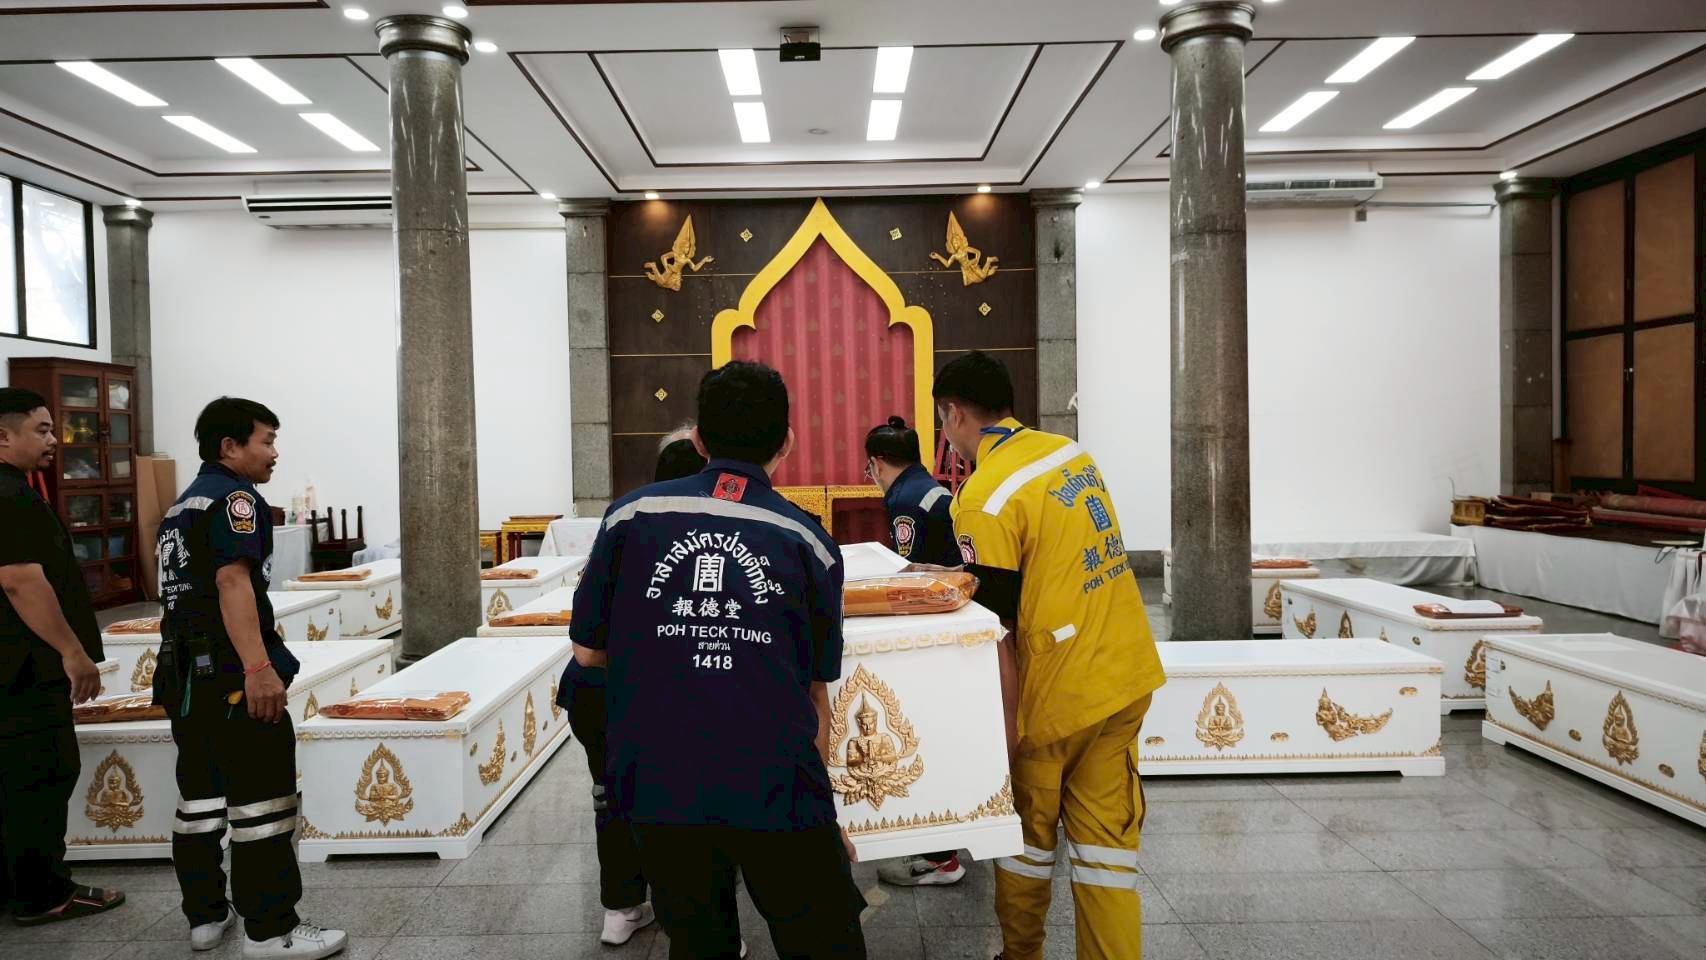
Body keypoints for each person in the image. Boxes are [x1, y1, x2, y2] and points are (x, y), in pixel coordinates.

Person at [571, 361, 866, 960]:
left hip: (660, 784)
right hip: (776, 784)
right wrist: (824, 812)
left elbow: (588, 652)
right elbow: (816, 692)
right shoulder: (809, 541)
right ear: (787, 442)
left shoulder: (629, 518)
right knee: (822, 940)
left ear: (699, 440)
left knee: (698, 940)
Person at [933, 352, 1165, 960]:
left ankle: (1021, 954)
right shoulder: (1070, 455)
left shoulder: (983, 497)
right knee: (1108, 854)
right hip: (1121, 680)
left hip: (1053, 701)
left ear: (953, 414)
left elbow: (996, 627)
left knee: (1027, 847)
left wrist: (1004, 730)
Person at [153, 397, 345, 959]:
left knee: (201, 799)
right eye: (267, 440)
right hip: (231, 674)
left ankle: (206, 916)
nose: (275, 453)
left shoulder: (182, 504)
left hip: (184, 674)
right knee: (263, 803)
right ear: (229, 446)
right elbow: (232, 582)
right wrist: (259, 669)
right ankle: (270, 928)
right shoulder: (236, 499)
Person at [552, 422, 707, 947]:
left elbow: (586, 640)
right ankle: (705, 925)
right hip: (654, 692)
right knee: (690, 802)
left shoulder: (624, 519)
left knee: (613, 795)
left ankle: (621, 908)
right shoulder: (714, 532)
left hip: (597, 690)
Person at [0, 388, 125, 926]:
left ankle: (16, 887)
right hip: (24, 669)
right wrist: (73, 652)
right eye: (42, 429)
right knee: (41, 776)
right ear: (3, 436)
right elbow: (21, 582)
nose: (54, 439)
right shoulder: (10, 497)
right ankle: (43, 894)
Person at [862, 416, 966, 887]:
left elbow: (912, 575)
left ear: (878, 462)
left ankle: (939, 856)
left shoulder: (903, 500)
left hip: (936, 633)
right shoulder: (929, 488)